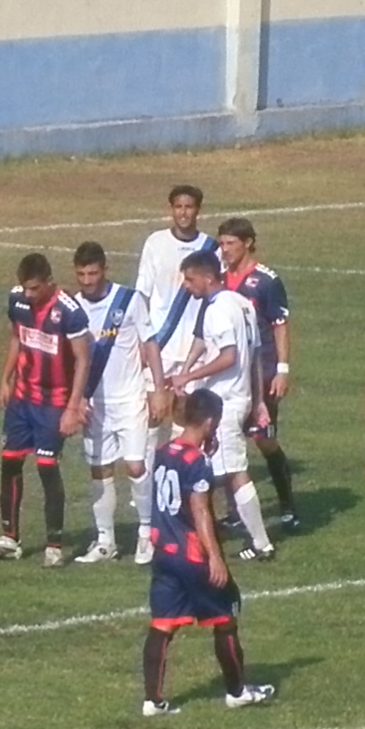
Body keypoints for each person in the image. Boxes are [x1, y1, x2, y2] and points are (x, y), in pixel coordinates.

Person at [143, 388, 277, 716]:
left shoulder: (163, 450)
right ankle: (237, 691)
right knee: (225, 617)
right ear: (210, 421)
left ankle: (153, 701)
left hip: (163, 552)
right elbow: (201, 510)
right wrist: (216, 557)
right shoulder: (198, 462)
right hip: (191, 555)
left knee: (163, 624)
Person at [148, 245, 276, 560]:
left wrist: (188, 376)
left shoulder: (219, 309)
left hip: (224, 404)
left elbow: (229, 356)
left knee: (233, 473)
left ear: (208, 277)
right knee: (211, 468)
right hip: (236, 397)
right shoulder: (241, 303)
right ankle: (202, 534)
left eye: (190, 280)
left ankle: (260, 544)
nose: (186, 286)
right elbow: (253, 355)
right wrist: (258, 401)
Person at [0, 253, 87, 564]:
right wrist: (5, 379)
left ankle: (54, 545)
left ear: (49, 282)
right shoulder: (17, 301)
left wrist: (72, 407)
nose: (28, 294)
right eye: (24, 288)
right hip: (22, 399)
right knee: (10, 462)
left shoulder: (69, 311)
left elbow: (82, 359)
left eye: (34, 288)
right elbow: (17, 338)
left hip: (54, 402)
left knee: (46, 466)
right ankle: (9, 538)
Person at [67, 243, 154, 563]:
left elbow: (150, 344)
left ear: (104, 269)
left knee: (135, 465)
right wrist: (75, 400)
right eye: (81, 274)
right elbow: (69, 359)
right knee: (99, 470)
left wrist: (157, 389)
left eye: (92, 273)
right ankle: (106, 540)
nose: (87, 281)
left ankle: (147, 533)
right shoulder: (72, 307)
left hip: (130, 398)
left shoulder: (129, 300)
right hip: (94, 404)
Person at [216, 216, 300, 532]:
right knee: (225, 440)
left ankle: (288, 505)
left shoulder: (266, 280)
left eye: (230, 243)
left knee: (264, 441)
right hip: (228, 376)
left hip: (261, 373)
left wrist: (282, 369)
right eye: (222, 244)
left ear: (248, 242)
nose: (225, 250)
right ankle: (235, 511)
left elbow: (279, 325)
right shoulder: (220, 279)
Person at [130, 182, 213, 331]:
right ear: (172, 209)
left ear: (198, 210)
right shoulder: (155, 242)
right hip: (161, 337)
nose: (183, 213)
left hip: (197, 338)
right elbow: (142, 293)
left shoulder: (211, 248)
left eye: (188, 207)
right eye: (178, 207)